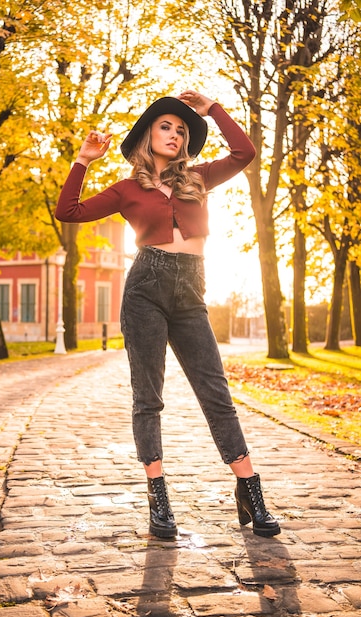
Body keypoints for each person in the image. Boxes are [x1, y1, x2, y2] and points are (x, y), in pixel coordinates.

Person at [55, 90, 280, 540]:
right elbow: (68, 211)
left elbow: (245, 151)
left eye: (181, 130)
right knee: (148, 396)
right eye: (166, 126)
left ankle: (250, 491)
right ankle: (159, 501)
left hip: (192, 289)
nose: (175, 134)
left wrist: (212, 109)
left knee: (215, 392)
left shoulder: (198, 176)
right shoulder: (127, 189)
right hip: (145, 289)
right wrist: (83, 160)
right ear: (147, 134)